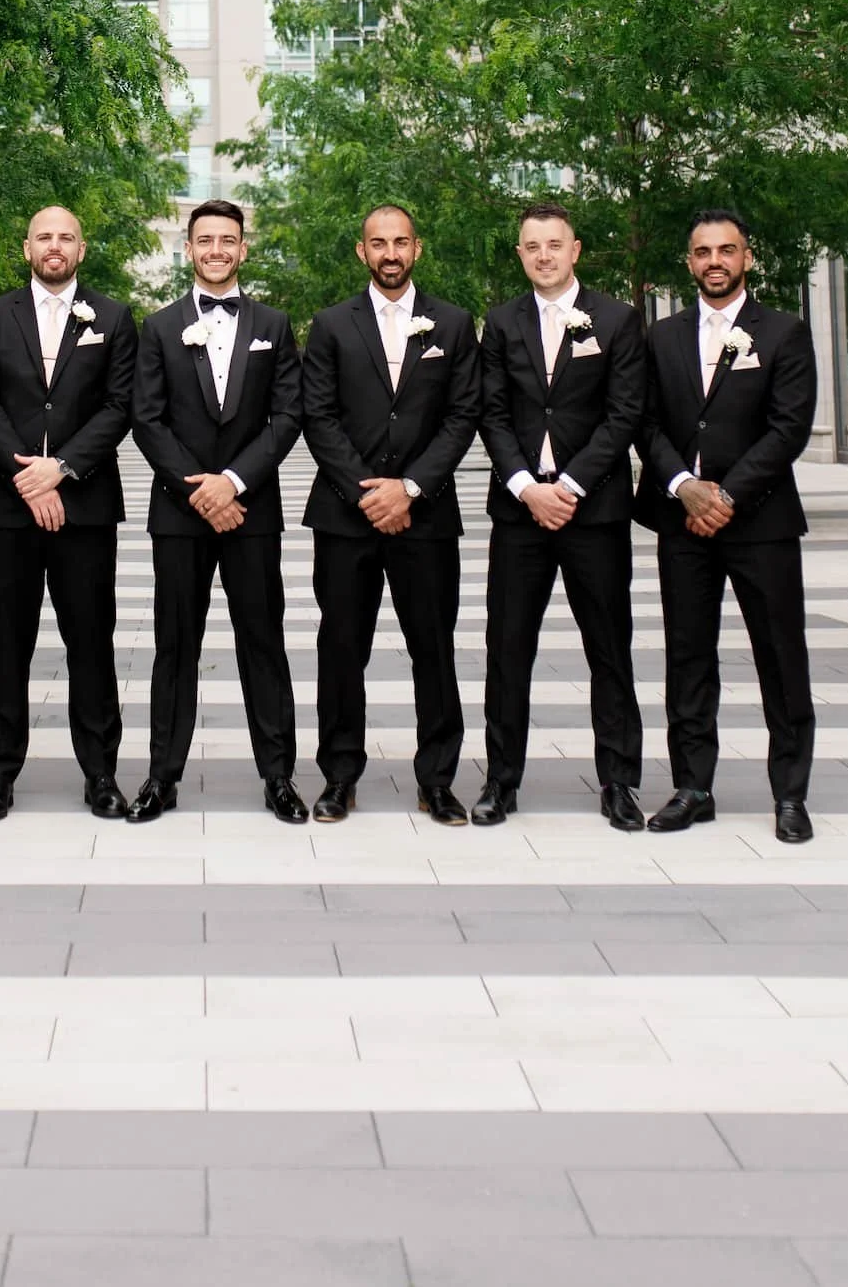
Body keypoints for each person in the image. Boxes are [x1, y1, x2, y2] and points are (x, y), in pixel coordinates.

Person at [636, 208, 818, 845]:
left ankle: (790, 794)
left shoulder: (786, 332)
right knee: (688, 655)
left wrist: (726, 495)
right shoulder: (660, 337)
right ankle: (693, 786)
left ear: (747, 257)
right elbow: (645, 423)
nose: (716, 261)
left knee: (780, 654)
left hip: (761, 522)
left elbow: (788, 428)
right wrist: (685, 488)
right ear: (689, 262)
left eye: (727, 250)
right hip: (680, 522)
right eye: (703, 252)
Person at [301, 205, 483, 826]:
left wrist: (408, 489)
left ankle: (438, 781)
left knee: (433, 649)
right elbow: (317, 417)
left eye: (400, 242)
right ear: (361, 252)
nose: (389, 253)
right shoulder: (328, 325)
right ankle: (338, 777)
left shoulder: (455, 325)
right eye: (378, 243)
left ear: (417, 248)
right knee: (341, 649)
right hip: (345, 518)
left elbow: (463, 417)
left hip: (425, 518)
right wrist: (367, 492)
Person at [128, 198, 307, 825]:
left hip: (251, 513)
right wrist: (197, 489)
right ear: (188, 248)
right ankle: (162, 777)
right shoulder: (157, 327)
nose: (216, 250)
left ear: (243, 248)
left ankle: (279, 777)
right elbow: (145, 419)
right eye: (205, 240)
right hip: (180, 516)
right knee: (174, 646)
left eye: (227, 240)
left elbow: (288, 417)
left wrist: (232, 483)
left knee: (264, 643)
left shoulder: (275, 326)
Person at [0, 205, 138, 822]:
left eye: (66, 237)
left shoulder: (113, 317)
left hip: (84, 507)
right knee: (5, 643)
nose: (55, 246)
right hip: (7, 510)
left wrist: (59, 470)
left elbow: (119, 407)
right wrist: (27, 478)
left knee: (91, 642)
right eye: (44, 237)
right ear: (27, 247)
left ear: (81, 249)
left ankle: (101, 774)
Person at [476, 202, 648, 830]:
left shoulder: (618, 320)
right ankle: (501, 780)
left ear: (576, 249)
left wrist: (569, 486)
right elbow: (490, 414)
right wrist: (527, 487)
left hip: (593, 512)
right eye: (531, 246)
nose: (543, 255)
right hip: (521, 512)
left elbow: (623, 415)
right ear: (519, 254)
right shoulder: (499, 323)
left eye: (554, 244)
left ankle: (619, 782)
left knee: (609, 649)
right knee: (507, 649)